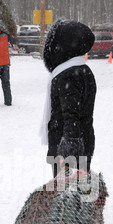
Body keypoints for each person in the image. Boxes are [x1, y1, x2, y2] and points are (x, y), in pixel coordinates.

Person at [40, 19, 96, 178]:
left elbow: (71, 114)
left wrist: (68, 152)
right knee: (77, 191)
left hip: (68, 147)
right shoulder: (81, 70)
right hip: (82, 141)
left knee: (66, 196)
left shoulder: (68, 75)